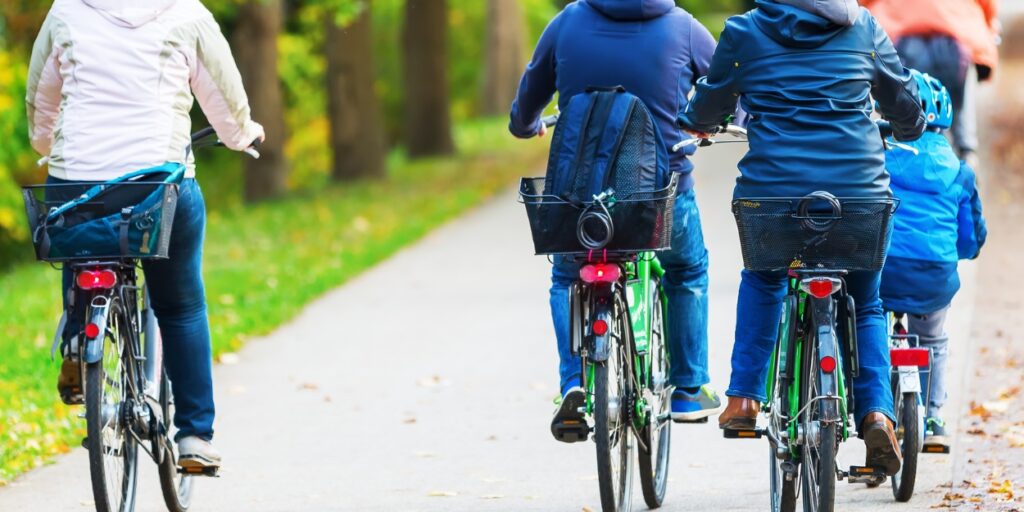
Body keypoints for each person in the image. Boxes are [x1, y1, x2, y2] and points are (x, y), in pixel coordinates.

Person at [677, 0, 925, 475]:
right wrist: (909, 124)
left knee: (765, 278)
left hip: (774, 197)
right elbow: (904, 100)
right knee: (866, 300)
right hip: (857, 196)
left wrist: (699, 123)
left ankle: (745, 397)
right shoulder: (864, 28)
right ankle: (876, 412)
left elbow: (710, 101)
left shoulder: (745, 31)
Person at [27, 0, 264, 470]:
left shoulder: (66, 11)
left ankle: (78, 336)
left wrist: (44, 142)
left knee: (79, 235)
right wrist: (243, 136)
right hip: (157, 184)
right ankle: (194, 436)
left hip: (78, 182)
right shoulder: (187, 13)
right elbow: (223, 97)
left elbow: (41, 97)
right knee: (180, 306)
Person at [509, 0, 723, 439]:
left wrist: (526, 124)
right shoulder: (683, 28)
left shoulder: (567, 22)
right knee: (686, 270)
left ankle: (573, 383)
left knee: (567, 277)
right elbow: (725, 87)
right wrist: (716, 123)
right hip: (660, 198)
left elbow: (530, 94)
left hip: (578, 202)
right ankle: (687, 387)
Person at [879, 70, 987, 452]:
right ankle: (936, 417)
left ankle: (874, 408)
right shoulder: (960, 171)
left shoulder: (880, 158)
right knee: (934, 339)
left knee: (870, 325)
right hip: (934, 274)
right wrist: (963, 251)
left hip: (884, 268)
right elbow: (970, 235)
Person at [860, 0, 1000, 167]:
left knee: (901, 112)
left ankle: (895, 163)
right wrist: (990, 30)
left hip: (901, 32)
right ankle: (967, 152)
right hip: (957, 33)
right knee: (957, 102)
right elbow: (988, 6)